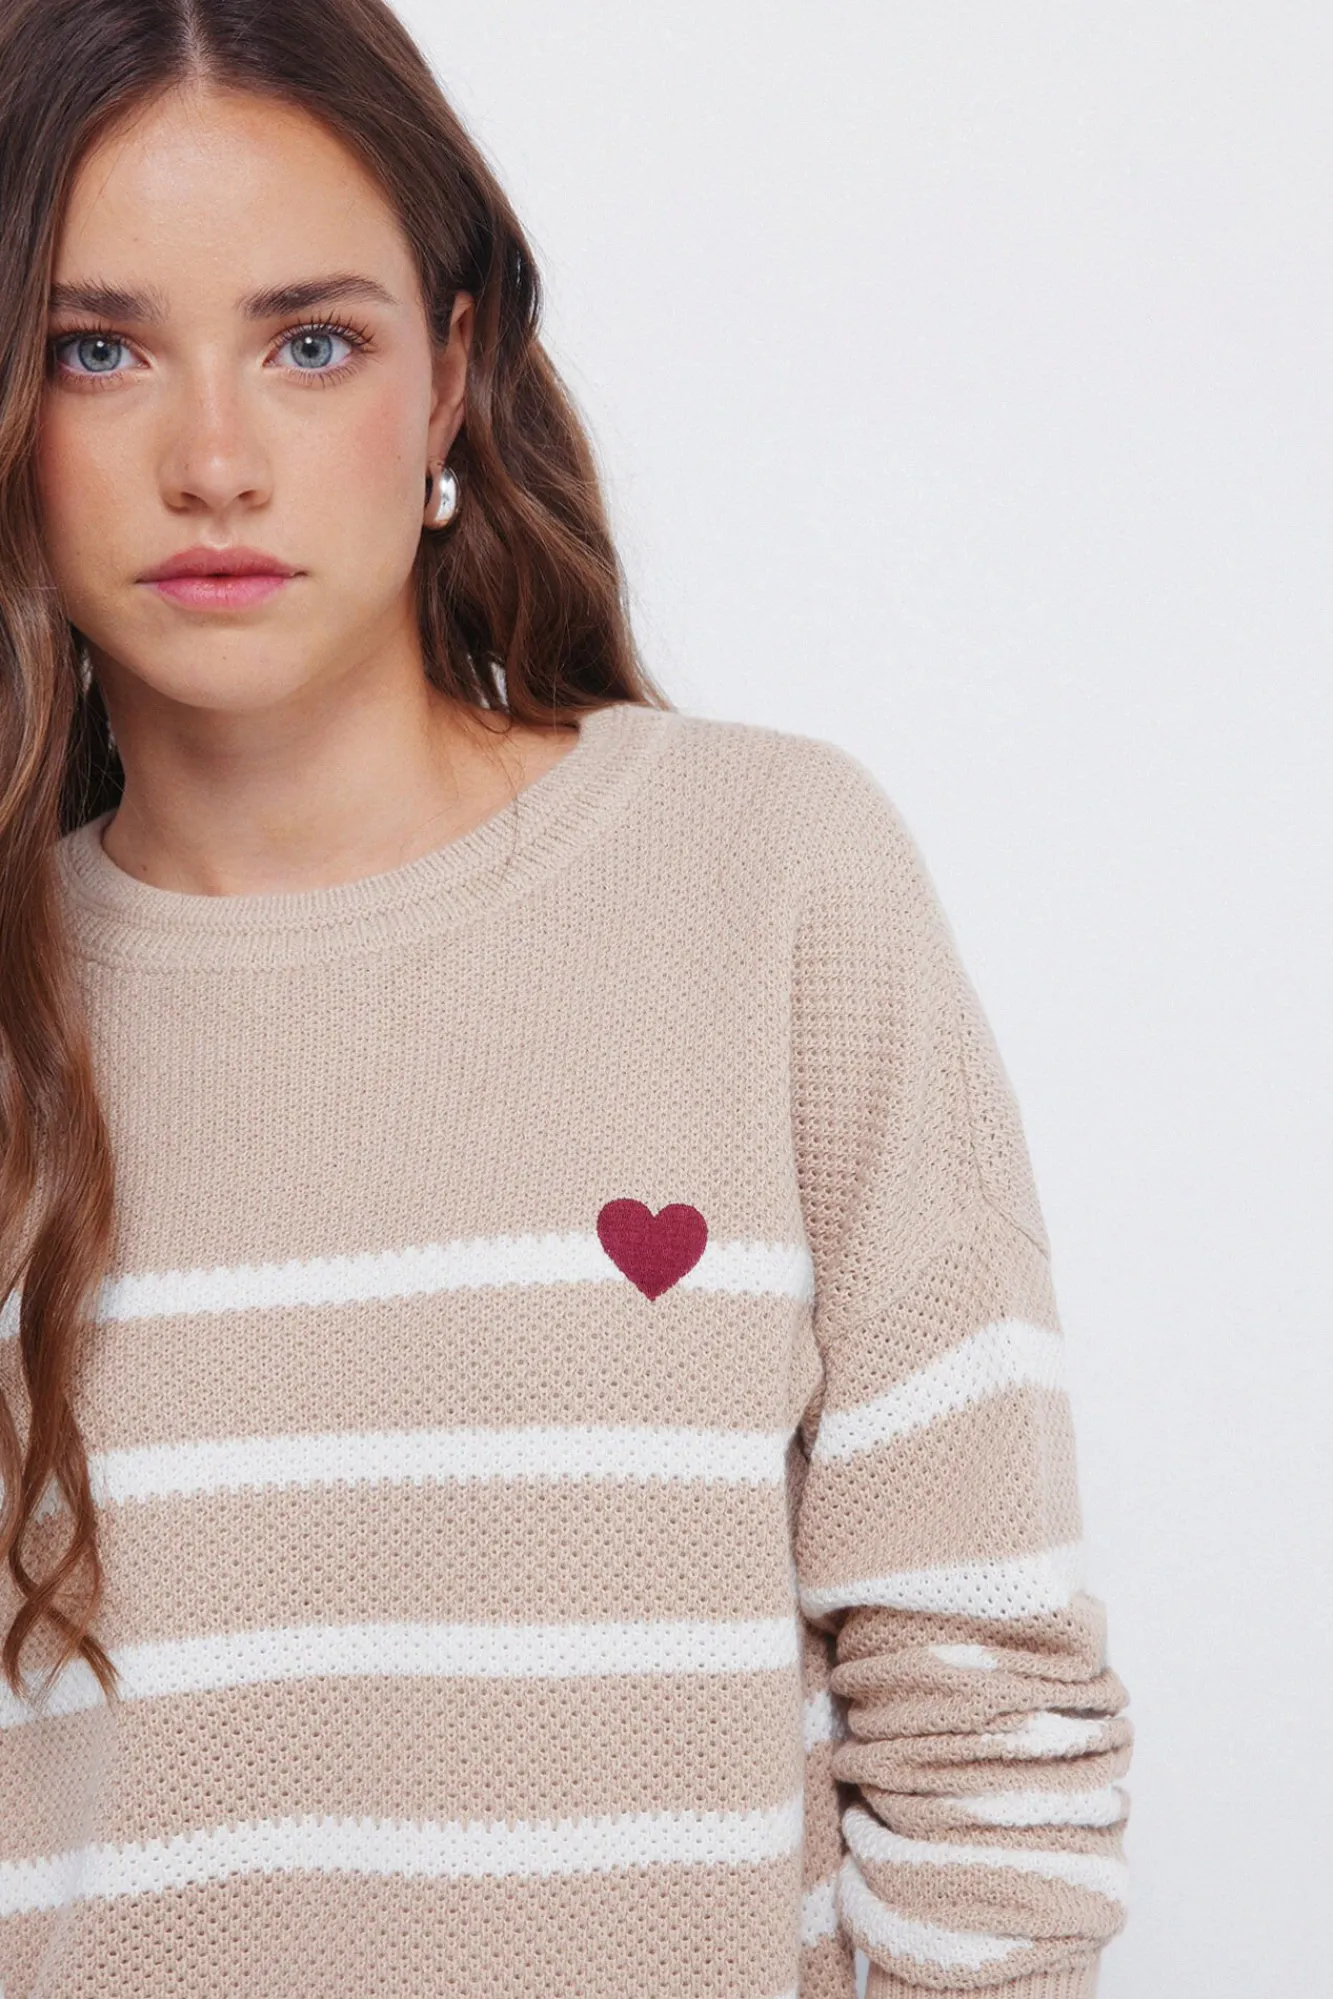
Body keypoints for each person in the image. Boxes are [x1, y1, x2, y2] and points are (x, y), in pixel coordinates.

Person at [0, 3, 1134, 1995]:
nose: (212, 463)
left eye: (309, 342)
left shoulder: (766, 879)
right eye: (100, 349)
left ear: (451, 374)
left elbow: (987, 1724)